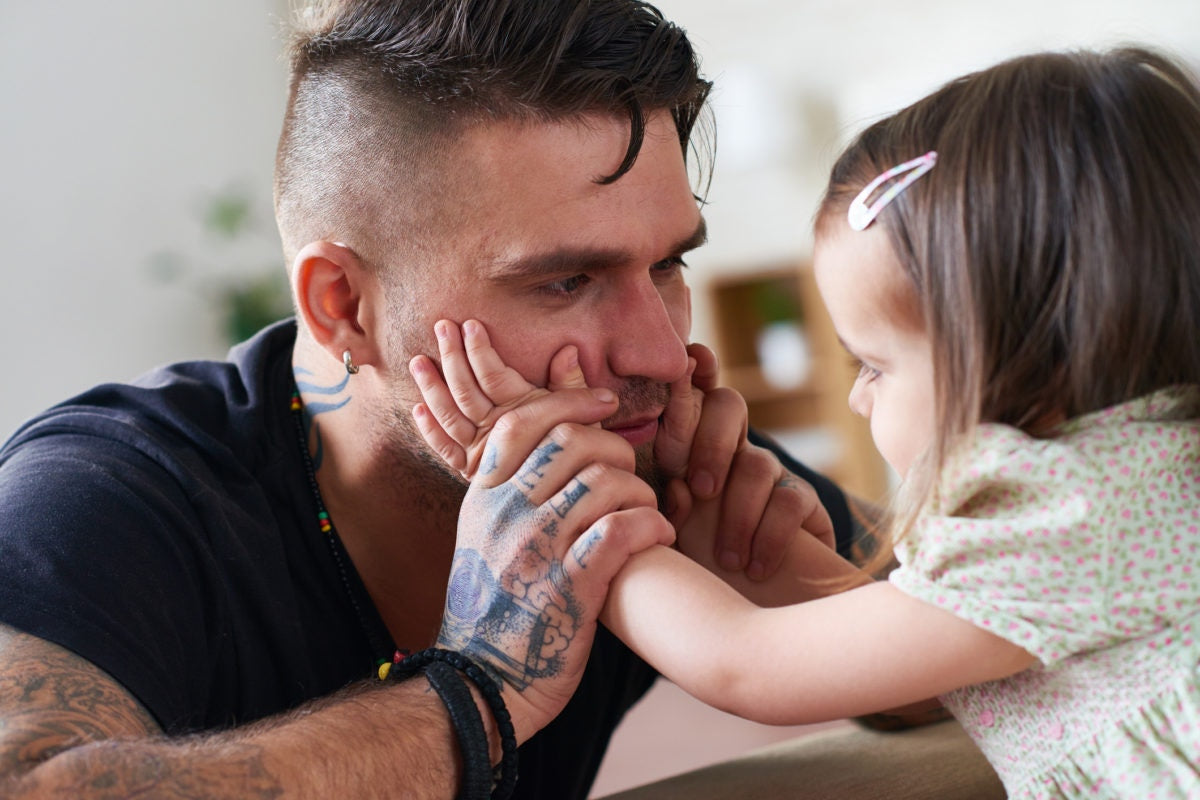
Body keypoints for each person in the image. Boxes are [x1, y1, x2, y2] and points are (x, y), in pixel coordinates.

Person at [0, 1, 865, 798]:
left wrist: (825, 618)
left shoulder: (635, 455)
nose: (663, 352)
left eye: (669, 265)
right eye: (566, 281)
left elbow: (982, 631)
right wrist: (481, 692)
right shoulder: (105, 496)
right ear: (343, 305)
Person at [414, 47, 1200, 798]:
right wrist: (754, 555)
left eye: (875, 366)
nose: (858, 399)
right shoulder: (1127, 481)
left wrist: (567, 509)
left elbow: (747, 665)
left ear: (1033, 361)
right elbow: (896, 632)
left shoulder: (1070, 513)